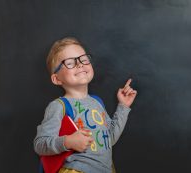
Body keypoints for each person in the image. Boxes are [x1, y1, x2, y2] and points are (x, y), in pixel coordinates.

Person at [34, 37, 137, 173]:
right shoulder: (59, 106)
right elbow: (40, 145)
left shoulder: (96, 102)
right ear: (57, 79)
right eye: (70, 62)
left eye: (83, 59)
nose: (80, 64)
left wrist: (123, 107)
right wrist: (68, 142)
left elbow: (109, 139)